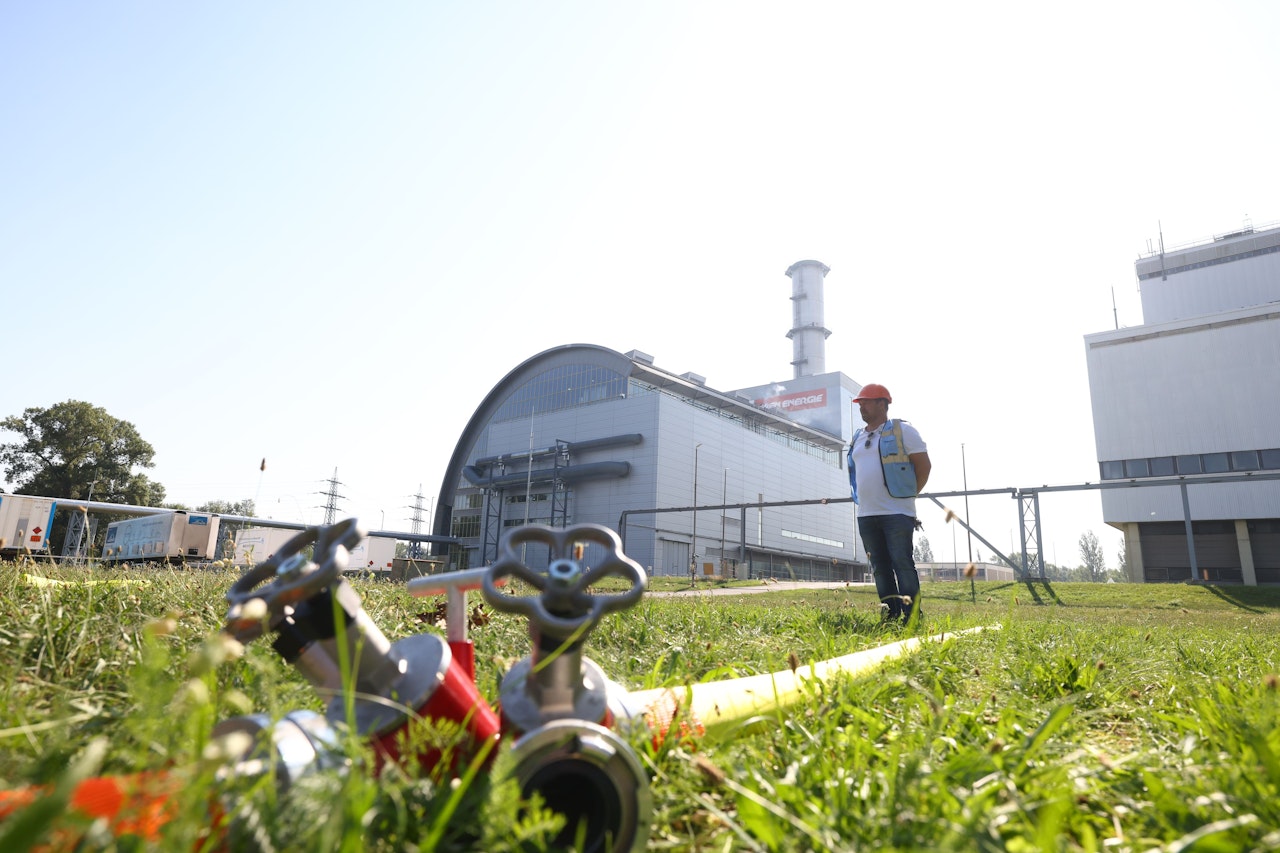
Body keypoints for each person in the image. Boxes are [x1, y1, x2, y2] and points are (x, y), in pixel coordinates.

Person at [847, 384, 931, 623]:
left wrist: (909, 496)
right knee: (879, 567)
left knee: (902, 563)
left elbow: (924, 466)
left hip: (897, 512)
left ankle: (912, 616)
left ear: (882, 404)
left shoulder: (904, 431)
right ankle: (891, 614)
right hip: (866, 513)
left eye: (866, 402)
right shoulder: (858, 436)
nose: (861, 406)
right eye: (860, 403)